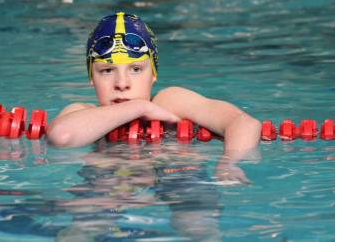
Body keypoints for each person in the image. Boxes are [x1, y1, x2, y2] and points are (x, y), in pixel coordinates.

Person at [46, 12, 262, 183]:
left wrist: (228, 164)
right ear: (91, 77)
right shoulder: (83, 112)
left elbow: (243, 123)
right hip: (107, 183)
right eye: (107, 71)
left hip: (178, 175)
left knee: (197, 224)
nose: (122, 83)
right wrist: (139, 107)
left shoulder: (170, 101)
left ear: (154, 74)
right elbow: (61, 136)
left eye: (136, 69)